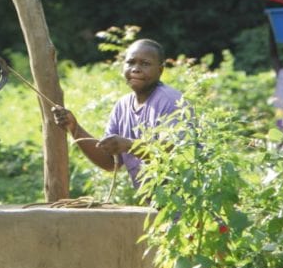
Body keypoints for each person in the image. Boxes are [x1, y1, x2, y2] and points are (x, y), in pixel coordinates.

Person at [50, 38, 186, 188]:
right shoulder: (122, 106)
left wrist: (128, 145)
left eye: (145, 64)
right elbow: (109, 162)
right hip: (154, 206)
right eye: (131, 62)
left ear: (160, 70)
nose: (136, 69)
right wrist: (74, 128)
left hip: (184, 204)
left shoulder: (170, 101)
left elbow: (170, 153)